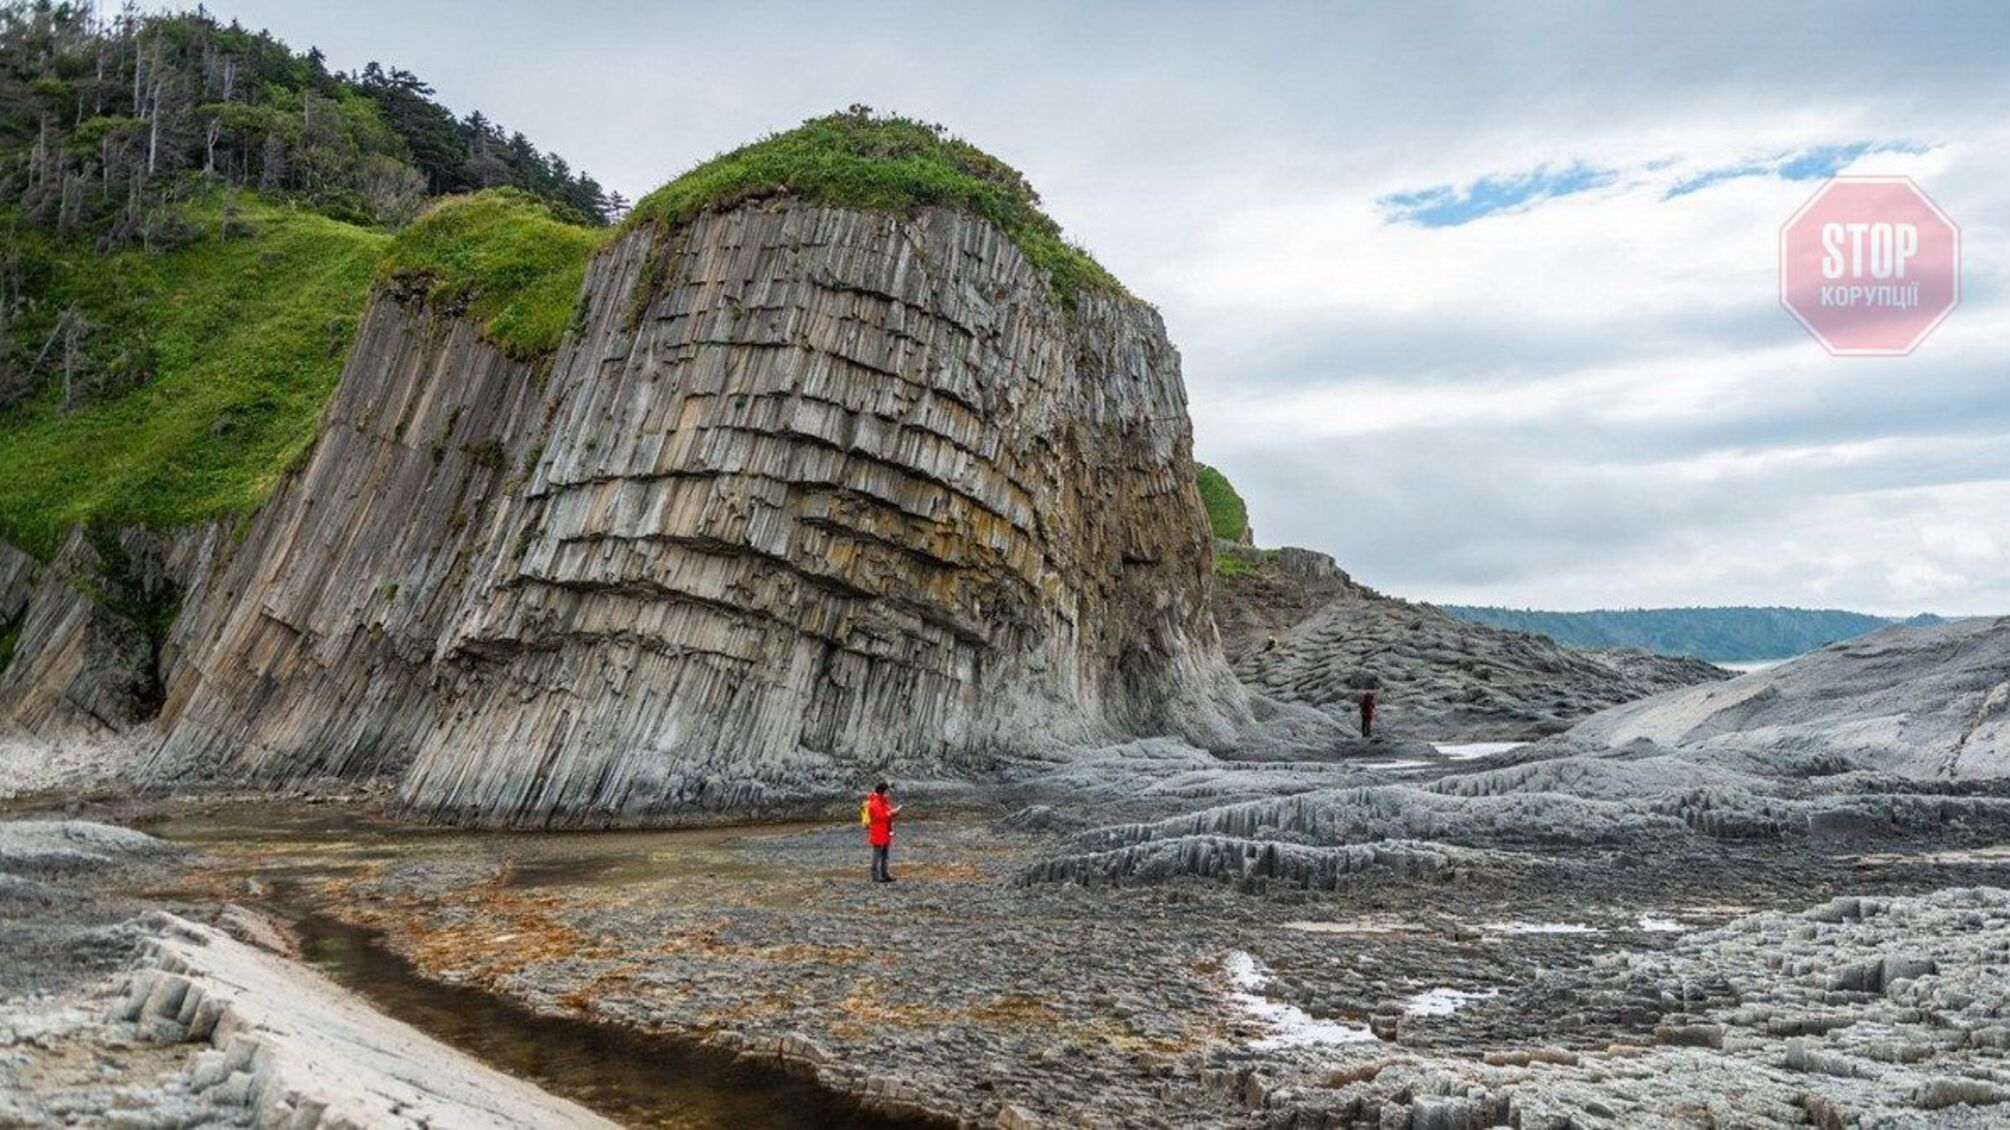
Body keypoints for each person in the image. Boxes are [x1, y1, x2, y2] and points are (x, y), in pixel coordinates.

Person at [864, 781, 902, 883]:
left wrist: (893, 813)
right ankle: (876, 876)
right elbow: (878, 817)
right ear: (881, 792)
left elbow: (886, 814)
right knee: (877, 855)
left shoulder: (883, 802)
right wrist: (890, 813)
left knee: (885, 855)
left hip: (885, 832)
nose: (888, 794)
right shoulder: (875, 804)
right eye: (886, 792)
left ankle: (885, 874)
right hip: (878, 833)